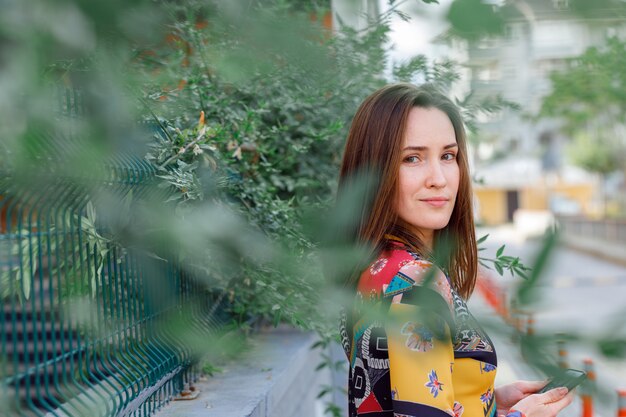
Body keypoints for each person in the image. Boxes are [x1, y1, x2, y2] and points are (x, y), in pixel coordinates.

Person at [337, 83, 573, 417]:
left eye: (448, 156)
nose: (439, 178)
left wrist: (487, 402)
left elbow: (400, 400)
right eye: (412, 158)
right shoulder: (415, 282)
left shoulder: (376, 267)